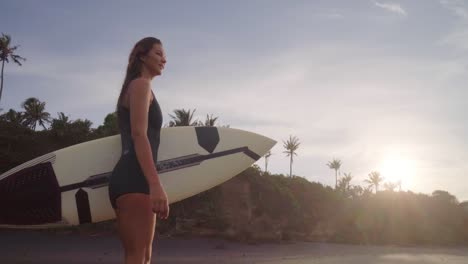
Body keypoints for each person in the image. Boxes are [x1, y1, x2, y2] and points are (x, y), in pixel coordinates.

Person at [108, 37, 169, 264]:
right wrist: (155, 184)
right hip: (135, 178)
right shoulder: (141, 85)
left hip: (130, 177)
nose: (164, 59)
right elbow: (139, 135)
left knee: (141, 258)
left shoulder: (134, 87)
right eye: (158, 53)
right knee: (138, 258)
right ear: (142, 56)